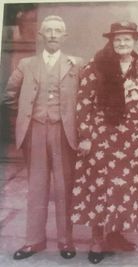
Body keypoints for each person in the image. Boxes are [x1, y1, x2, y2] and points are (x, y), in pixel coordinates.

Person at [70, 21, 138, 264]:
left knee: (124, 189)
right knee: (100, 188)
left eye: (127, 39)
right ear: (111, 42)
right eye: (117, 39)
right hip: (101, 138)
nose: (122, 43)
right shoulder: (95, 67)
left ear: (134, 41)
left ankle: (116, 235)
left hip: (131, 140)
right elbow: (83, 104)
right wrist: (85, 137)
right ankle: (97, 240)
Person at [2, 15, 82, 260]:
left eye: (58, 31)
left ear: (65, 36)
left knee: (64, 188)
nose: (53, 35)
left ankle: (66, 241)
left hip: (64, 132)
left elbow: (88, 97)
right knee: (36, 188)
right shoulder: (27, 64)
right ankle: (33, 241)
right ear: (41, 35)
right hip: (35, 131)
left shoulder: (76, 64)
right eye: (49, 31)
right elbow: (9, 95)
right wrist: (26, 116)